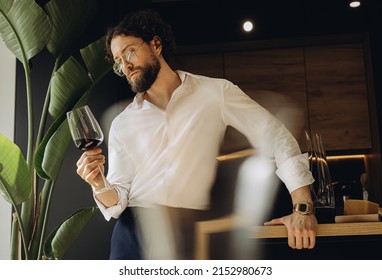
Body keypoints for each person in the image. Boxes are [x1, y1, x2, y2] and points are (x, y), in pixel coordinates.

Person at [76, 8, 318, 260]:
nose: (125, 65)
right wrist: (98, 183)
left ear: (156, 44)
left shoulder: (215, 93)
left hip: (190, 231)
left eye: (129, 52)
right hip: (132, 234)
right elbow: (118, 201)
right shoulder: (122, 122)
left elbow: (276, 136)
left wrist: (302, 208)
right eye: (118, 61)